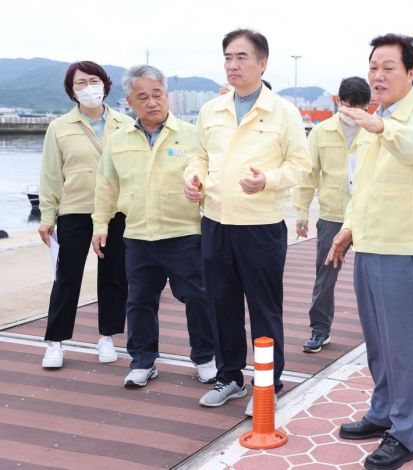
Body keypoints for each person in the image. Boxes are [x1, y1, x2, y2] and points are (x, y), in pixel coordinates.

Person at [325, 33, 413, 470]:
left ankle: (403, 433)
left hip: (401, 250)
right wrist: (348, 229)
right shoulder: (375, 120)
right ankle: (381, 413)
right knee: (378, 342)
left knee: (402, 346)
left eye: (388, 67)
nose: (378, 74)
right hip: (370, 244)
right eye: (374, 66)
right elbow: (365, 186)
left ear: (411, 73)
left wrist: (381, 126)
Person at [185, 29, 310, 414]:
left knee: (263, 308)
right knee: (220, 303)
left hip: (260, 226)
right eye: (227, 57)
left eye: (241, 57)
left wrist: (267, 181)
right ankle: (230, 378)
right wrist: (193, 180)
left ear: (262, 63)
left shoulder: (283, 112)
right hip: (216, 222)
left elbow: (300, 165)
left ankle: (268, 384)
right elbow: (198, 157)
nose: (232, 65)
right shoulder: (211, 110)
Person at [91, 65, 217, 388]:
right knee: (139, 301)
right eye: (142, 97)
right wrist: (100, 224)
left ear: (167, 95)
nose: (151, 102)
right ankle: (143, 361)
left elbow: (209, 179)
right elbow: (106, 186)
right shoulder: (118, 140)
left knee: (198, 297)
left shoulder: (191, 135)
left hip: (184, 234)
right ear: (129, 102)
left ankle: (205, 357)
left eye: (157, 94)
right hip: (138, 236)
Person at [38, 61, 130, 369]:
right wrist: (47, 216)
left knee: (114, 277)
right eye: (80, 83)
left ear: (105, 84)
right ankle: (55, 342)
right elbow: (51, 175)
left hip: (116, 212)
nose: (88, 87)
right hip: (75, 212)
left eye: (93, 80)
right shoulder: (59, 127)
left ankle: (107, 337)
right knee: (67, 277)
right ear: (71, 91)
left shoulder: (125, 124)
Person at [292, 77, 371, 353]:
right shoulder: (321, 132)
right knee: (325, 276)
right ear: (339, 103)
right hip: (332, 216)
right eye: (349, 108)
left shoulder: (375, 132)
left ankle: (376, 332)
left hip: (367, 216)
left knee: (372, 277)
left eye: (360, 109)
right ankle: (319, 329)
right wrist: (301, 212)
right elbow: (308, 175)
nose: (353, 115)